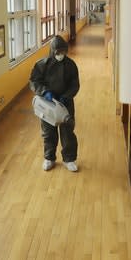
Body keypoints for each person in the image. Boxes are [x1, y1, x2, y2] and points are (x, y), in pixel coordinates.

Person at [29, 35, 80, 172]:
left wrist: (66, 96)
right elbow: (34, 81)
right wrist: (44, 92)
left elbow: (75, 84)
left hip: (65, 103)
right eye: (58, 52)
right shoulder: (42, 65)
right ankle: (49, 158)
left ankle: (69, 159)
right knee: (48, 132)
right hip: (48, 104)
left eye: (63, 52)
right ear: (52, 51)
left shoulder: (70, 65)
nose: (60, 55)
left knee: (67, 132)